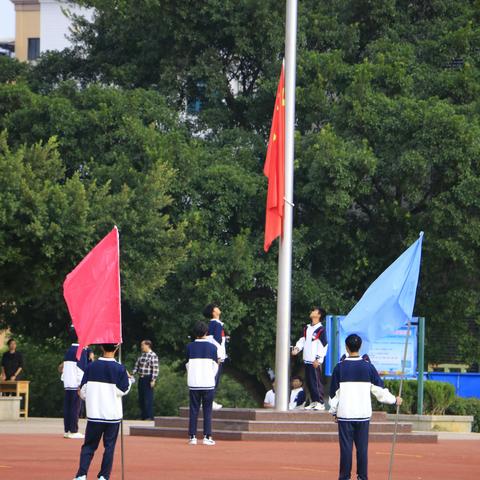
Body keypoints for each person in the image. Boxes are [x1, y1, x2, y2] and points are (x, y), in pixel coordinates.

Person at [329, 334, 403, 480]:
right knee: (362, 449)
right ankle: (362, 477)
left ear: (346, 347)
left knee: (346, 449)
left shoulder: (339, 367)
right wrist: (394, 400)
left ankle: (344, 477)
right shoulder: (368, 367)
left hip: (345, 415)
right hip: (363, 415)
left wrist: (334, 412)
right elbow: (379, 391)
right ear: (360, 346)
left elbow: (333, 395)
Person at [73, 343, 133, 480]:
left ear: (101, 347)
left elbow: (82, 392)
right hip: (112, 415)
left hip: (95, 414)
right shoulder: (120, 369)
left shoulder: (91, 367)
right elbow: (123, 390)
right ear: (116, 349)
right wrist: (129, 380)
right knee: (109, 447)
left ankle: (81, 474)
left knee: (89, 446)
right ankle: (104, 476)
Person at [186, 321, 219, 446]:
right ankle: (207, 436)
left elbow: (187, 365)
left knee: (193, 409)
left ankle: (192, 437)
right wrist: (209, 376)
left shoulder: (189, 347)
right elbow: (215, 366)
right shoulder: (212, 348)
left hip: (194, 383)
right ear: (206, 332)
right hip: (208, 383)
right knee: (207, 410)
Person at [291, 306, 328, 410]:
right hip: (307, 359)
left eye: (314, 311)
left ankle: (320, 402)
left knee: (316, 382)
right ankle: (314, 401)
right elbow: (303, 340)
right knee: (310, 382)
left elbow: (324, 345)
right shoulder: (307, 328)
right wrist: (297, 348)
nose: (311, 311)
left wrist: (318, 359)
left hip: (315, 361)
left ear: (319, 315)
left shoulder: (321, 329)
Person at [60, 327, 92, 439]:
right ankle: (73, 430)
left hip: (68, 383)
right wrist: (81, 385)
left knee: (68, 407)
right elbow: (81, 369)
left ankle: (67, 430)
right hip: (75, 384)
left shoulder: (69, 350)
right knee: (75, 407)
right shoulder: (80, 350)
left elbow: (65, 368)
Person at [203, 303, 226, 410]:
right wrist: (219, 357)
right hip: (217, 357)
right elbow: (216, 342)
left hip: (214, 356)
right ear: (213, 312)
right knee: (213, 380)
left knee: (213, 379)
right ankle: (209, 401)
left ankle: (208, 401)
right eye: (216, 307)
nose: (218, 308)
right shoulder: (215, 324)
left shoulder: (215, 324)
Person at [132, 339, 159, 420]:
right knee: (141, 398)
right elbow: (136, 366)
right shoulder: (142, 355)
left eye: (143, 345)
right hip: (141, 378)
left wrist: (153, 379)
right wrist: (132, 374)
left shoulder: (153, 355)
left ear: (148, 345)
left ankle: (149, 416)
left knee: (148, 398)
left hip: (148, 378)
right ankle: (143, 416)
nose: (142, 347)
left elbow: (155, 368)